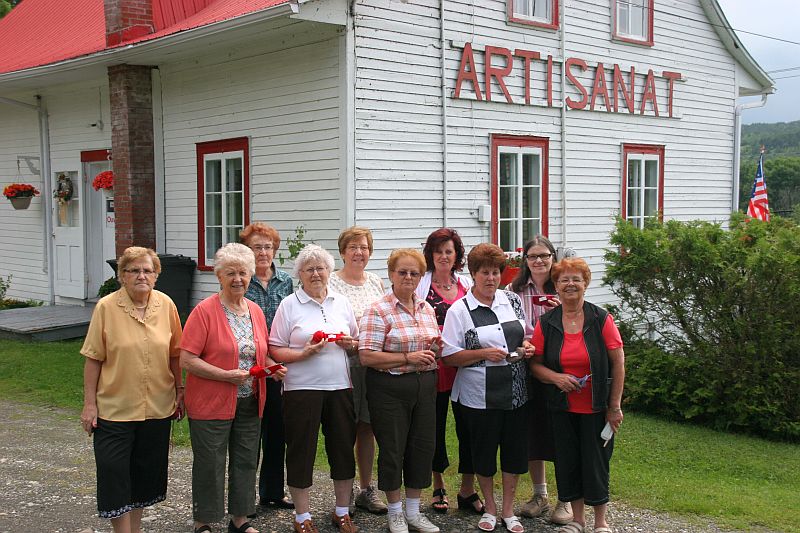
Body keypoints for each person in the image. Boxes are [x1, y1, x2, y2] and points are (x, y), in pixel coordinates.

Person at [181, 243, 286, 533]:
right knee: (210, 463)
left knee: (245, 459)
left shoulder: (253, 310)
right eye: (231, 273)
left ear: (251, 275)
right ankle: (204, 521)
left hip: (251, 399)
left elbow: (258, 352)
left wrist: (273, 368)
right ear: (219, 276)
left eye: (243, 273)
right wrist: (224, 375)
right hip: (212, 401)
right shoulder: (204, 311)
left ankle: (240, 519)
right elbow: (187, 359)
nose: (238, 279)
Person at [80, 246, 183, 533]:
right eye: (134, 270)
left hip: (157, 407)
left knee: (143, 476)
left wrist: (180, 389)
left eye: (147, 270)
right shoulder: (106, 307)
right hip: (115, 408)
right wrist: (89, 404)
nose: (141, 275)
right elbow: (93, 358)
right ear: (122, 276)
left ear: (156, 275)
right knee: (114, 474)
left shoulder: (167, 306)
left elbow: (175, 353)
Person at [440, 243, 533, 533]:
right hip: (478, 396)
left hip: (516, 392)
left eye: (495, 272)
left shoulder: (512, 300)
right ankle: (490, 508)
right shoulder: (460, 310)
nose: (491, 278)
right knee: (483, 453)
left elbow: (525, 335)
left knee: (513, 453)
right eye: (484, 273)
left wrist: (527, 347)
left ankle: (508, 509)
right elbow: (449, 356)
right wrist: (483, 353)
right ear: (474, 274)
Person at [529, 257, 625, 533]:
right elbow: (534, 363)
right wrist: (556, 378)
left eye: (576, 279)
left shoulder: (601, 318)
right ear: (556, 286)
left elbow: (618, 361)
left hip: (596, 407)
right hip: (562, 407)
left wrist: (614, 406)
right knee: (569, 462)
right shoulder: (547, 323)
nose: (570, 284)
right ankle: (578, 521)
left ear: (585, 284)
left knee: (596, 463)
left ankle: (601, 522)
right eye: (564, 280)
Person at [269, 244, 360, 533]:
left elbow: (356, 342)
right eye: (309, 269)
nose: (316, 273)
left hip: (340, 387)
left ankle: (342, 512)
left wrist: (350, 344)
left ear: (329, 271)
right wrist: (302, 354)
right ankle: (302, 516)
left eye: (321, 268)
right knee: (301, 450)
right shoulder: (289, 305)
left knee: (343, 448)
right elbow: (275, 348)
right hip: (301, 388)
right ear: (300, 274)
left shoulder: (341, 302)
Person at [359, 249, 442, 533]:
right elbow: (367, 356)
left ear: (421, 277)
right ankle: (394, 512)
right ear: (391, 274)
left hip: (424, 385)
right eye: (402, 272)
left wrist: (434, 349)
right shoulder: (378, 309)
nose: (408, 277)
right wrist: (408, 358)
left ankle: (414, 512)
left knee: (422, 447)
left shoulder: (426, 308)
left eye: (414, 273)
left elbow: (426, 349)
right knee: (393, 448)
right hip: (389, 387)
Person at [416, 228, 483, 516]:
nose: (444, 256)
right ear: (431, 255)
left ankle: (468, 488)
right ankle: (438, 483)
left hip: (467, 367)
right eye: (438, 251)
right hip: (435, 367)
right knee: (434, 426)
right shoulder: (421, 285)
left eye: (449, 251)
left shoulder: (467, 284)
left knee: (470, 427)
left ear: (457, 256)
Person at [508, 236, 573, 525]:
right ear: (525, 260)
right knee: (533, 433)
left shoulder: (563, 285)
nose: (539, 261)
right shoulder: (514, 290)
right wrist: (524, 340)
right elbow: (509, 326)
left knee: (561, 433)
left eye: (544, 255)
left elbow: (577, 322)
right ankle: (539, 495)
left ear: (552, 257)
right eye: (533, 256)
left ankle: (566, 499)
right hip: (527, 367)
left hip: (559, 365)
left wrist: (563, 307)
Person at [328, 226, 389, 515]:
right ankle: (345, 491)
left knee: (368, 426)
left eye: (364, 247)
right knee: (344, 428)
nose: (358, 252)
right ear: (342, 252)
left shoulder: (376, 282)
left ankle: (367, 489)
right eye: (352, 247)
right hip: (342, 364)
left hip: (372, 365)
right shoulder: (331, 282)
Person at [240, 223, 295, 511]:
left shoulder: (285, 281)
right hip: (249, 366)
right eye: (256, 247)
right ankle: (244, 500)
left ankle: (273, 492)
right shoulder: (238, 281)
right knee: (249, 437)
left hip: (279, 367)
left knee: (277, 433)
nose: (263, 252)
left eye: (267, 247)